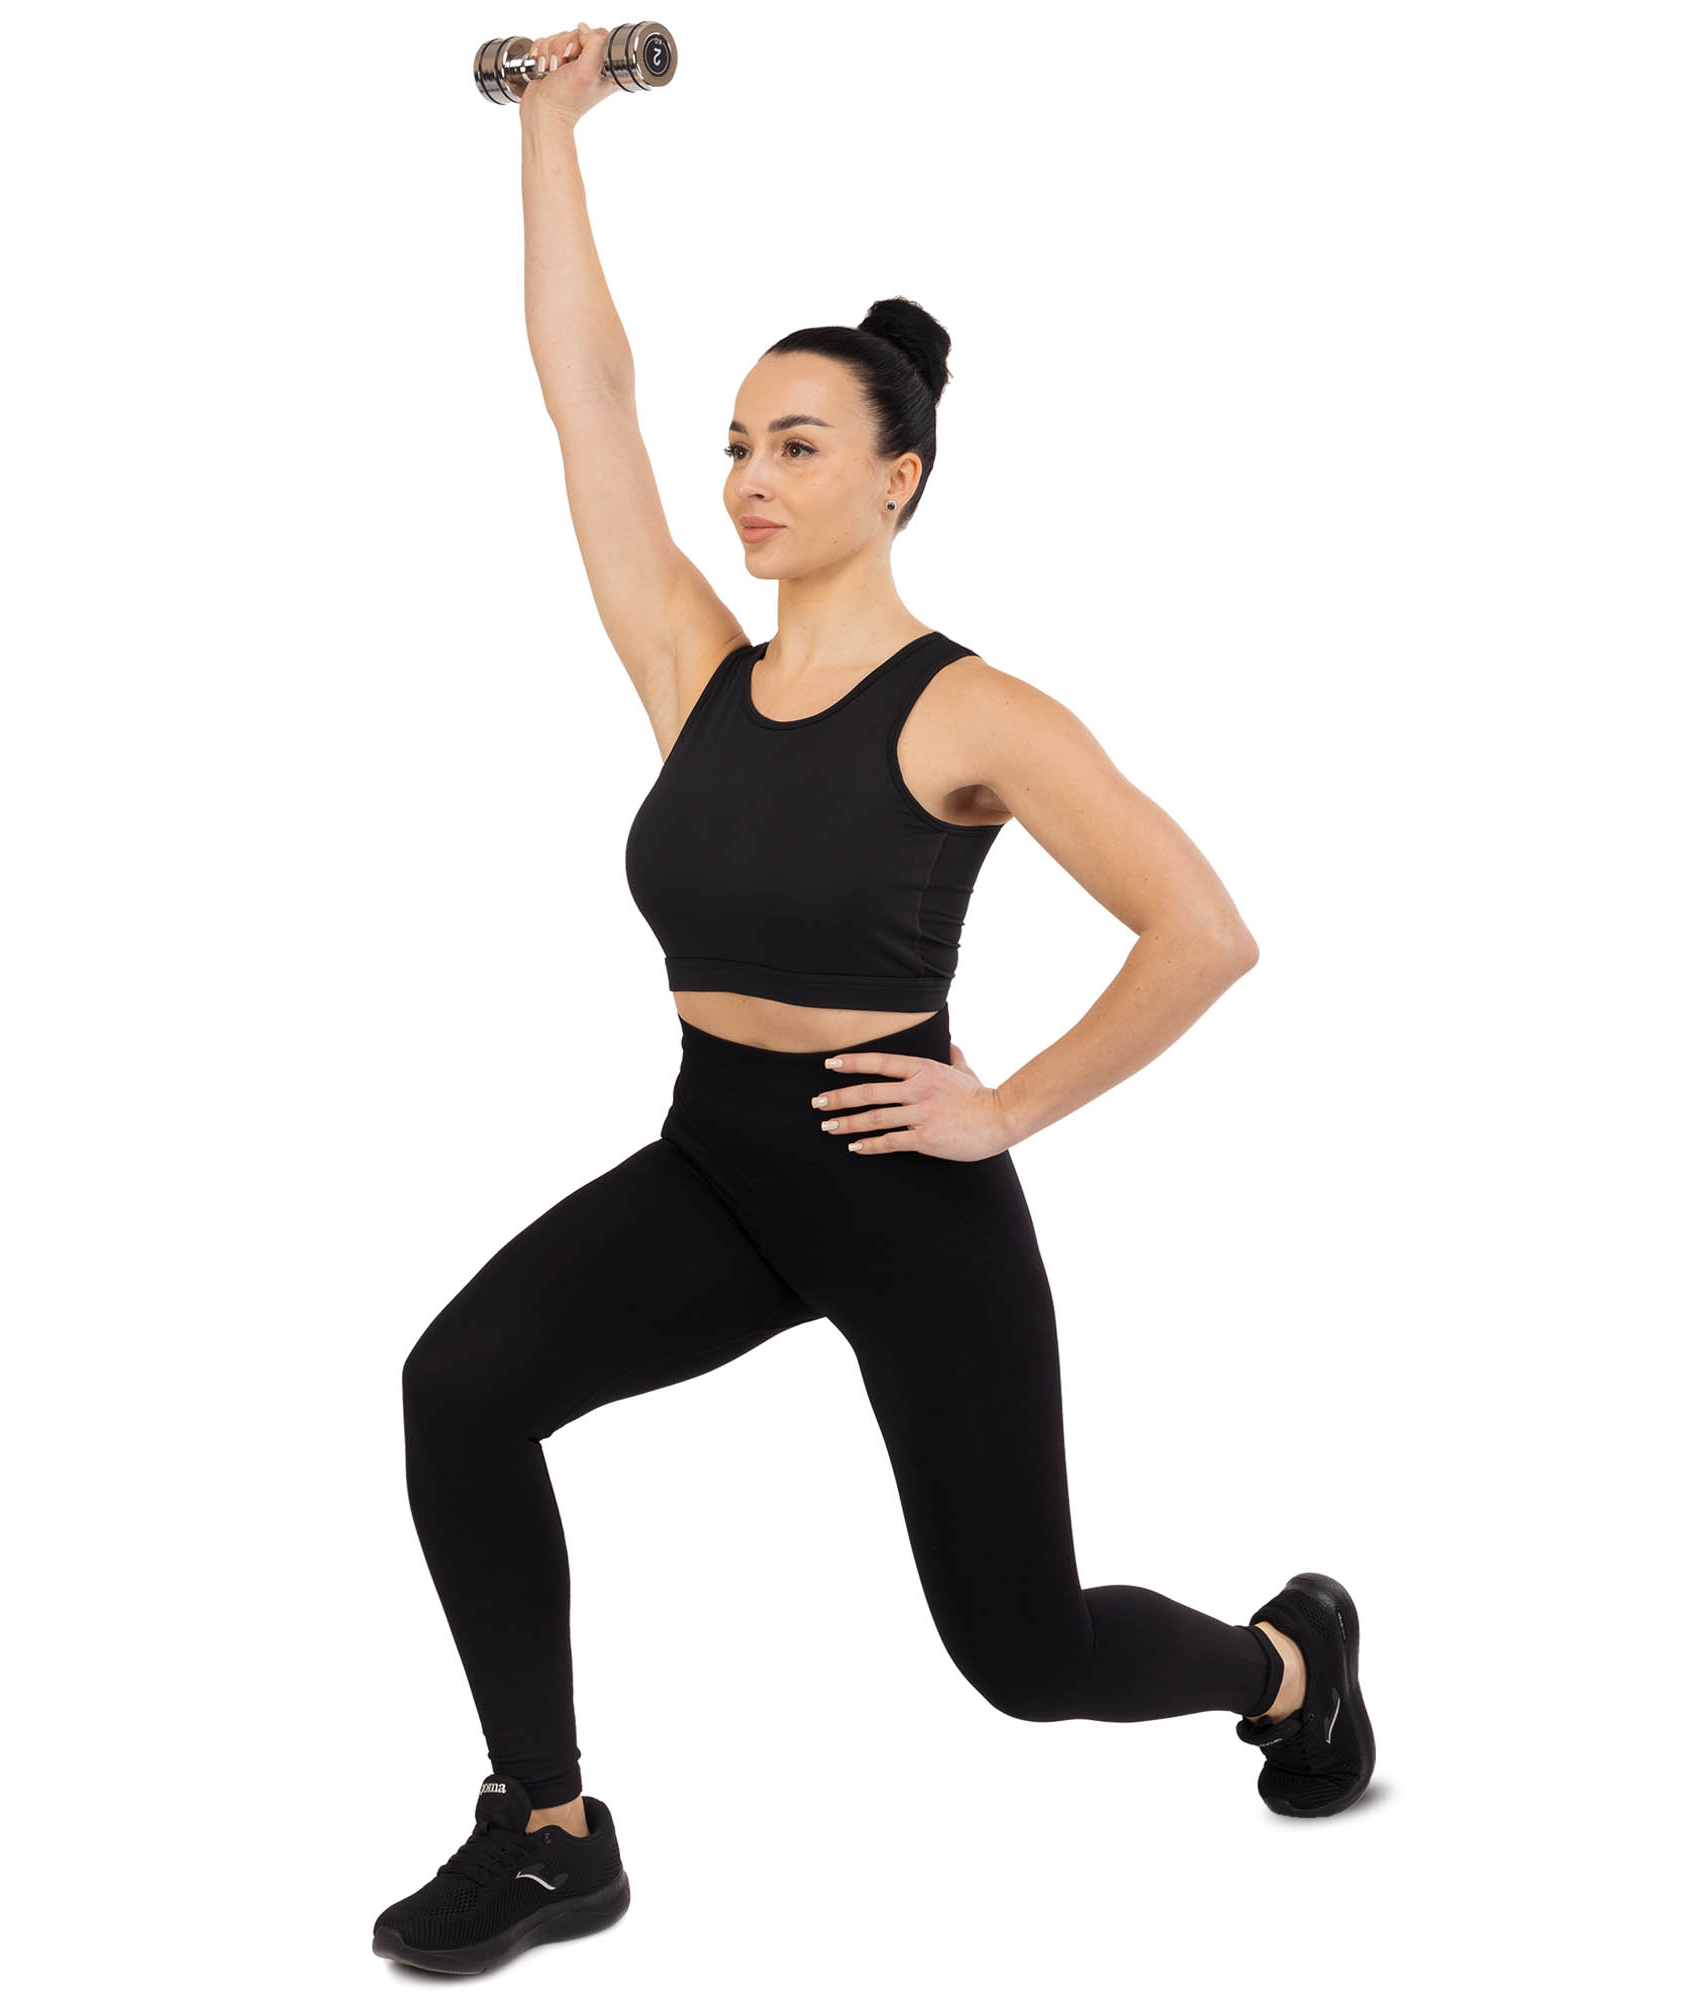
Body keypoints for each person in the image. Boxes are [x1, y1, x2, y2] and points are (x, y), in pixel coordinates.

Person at [372, 22, 1376, 1978]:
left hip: (901, 1186)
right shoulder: (695, 668)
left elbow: (1201, 930)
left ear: (898, 478)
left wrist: (1002, 1107)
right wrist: (552, 128)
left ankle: (1285, 1665)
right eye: (738, 446)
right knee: (460, 1389)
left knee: (1025, 1653)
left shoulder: (974, 711)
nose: (747, 480)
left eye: (797, 446)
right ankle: (548, 1827)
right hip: (716, 1162)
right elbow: (584, 397)